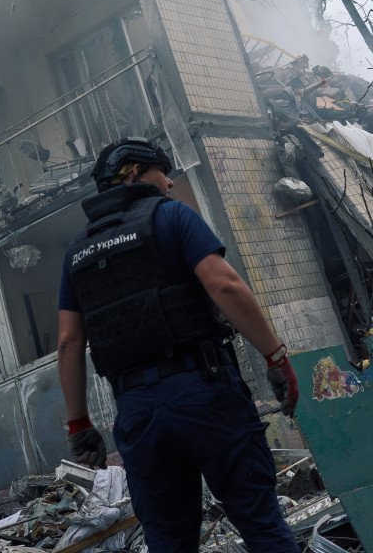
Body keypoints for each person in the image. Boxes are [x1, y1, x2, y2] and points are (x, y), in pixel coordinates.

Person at [57, 137, 300, 553]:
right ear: (134, 172)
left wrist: (79, 425)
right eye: (162, 172)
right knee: (259, 522)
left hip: (137, 413)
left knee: (169, 540)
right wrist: (275, 357)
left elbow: (68, 342)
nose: (169, 183)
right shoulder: (171, 216)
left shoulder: (77, 252)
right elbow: (224, 284)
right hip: (204, 392)